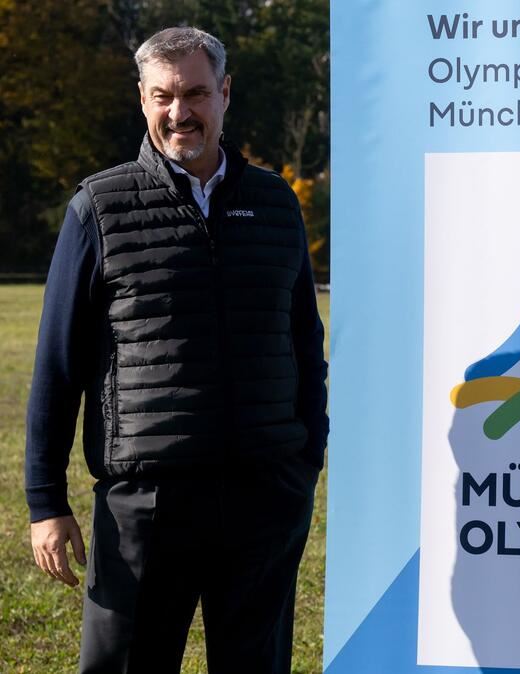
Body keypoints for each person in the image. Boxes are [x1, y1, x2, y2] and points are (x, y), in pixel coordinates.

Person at [25, 27, 328, 672]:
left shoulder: (276, 204)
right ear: (142, 100)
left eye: (194, 93)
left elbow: (305, 339)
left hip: (263, 498)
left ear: (224, 93)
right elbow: (58, 363)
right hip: (146, 505)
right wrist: (45, 502)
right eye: (163, 96)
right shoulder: (98, 209)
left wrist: (304, 460)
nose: (179, 112)